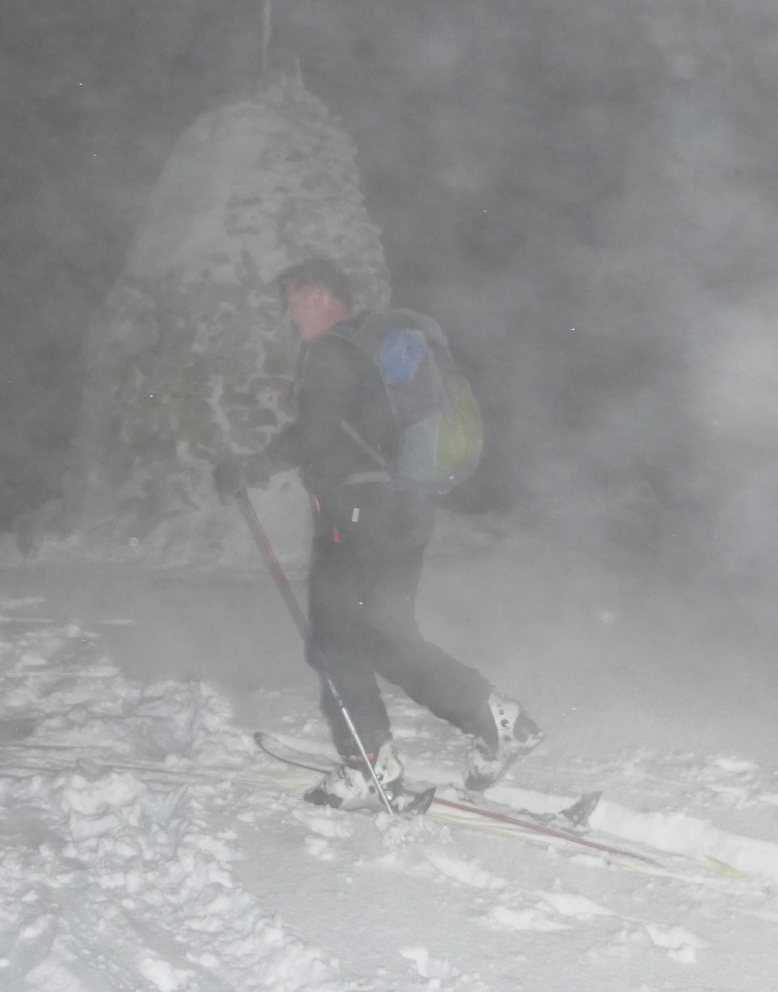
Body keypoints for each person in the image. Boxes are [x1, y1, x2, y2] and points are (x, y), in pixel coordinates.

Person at [214, 255, 542, 808]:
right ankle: (499, 720)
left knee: (335, 636)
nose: (289, 314)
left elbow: (315, 434)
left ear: (318, 294)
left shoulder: (335, 351)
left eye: (293, 300)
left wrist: (253, 467)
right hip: (406, 510)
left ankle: (367, 763)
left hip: (361, 514)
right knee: (386, 635)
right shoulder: (371, 353)